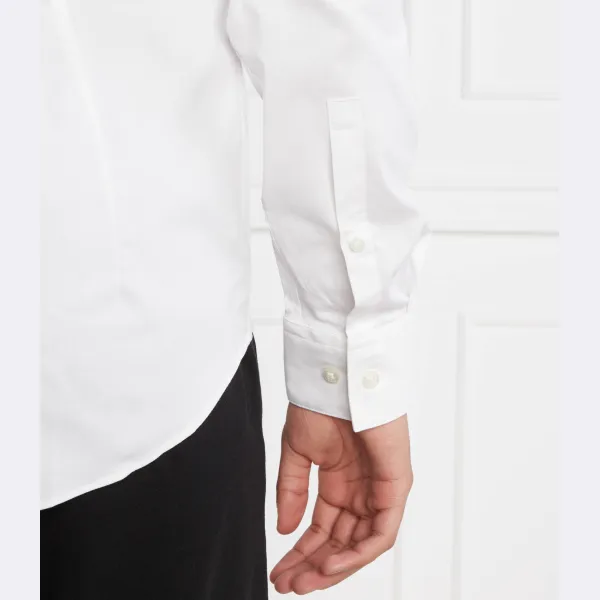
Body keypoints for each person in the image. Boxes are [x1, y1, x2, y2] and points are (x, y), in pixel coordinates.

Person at [41, 0, 429, 597]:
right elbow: (328, 43)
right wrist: (347, 361)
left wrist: (342, 358)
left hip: (128, 385)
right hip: (130, 383)